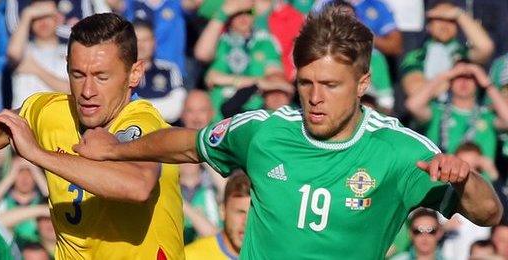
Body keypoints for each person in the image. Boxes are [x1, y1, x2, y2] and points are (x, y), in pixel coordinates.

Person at [70, 6, 502, 259]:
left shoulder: (399, 150)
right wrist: (113, 149)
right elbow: (186, 144)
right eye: (306, 83)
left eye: (330, 86)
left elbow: (489, 214)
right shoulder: (264, 131)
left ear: (363, 83)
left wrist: (465, 178)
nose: (315, 97)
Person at [0, 13, 183, 259]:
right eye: (77, 74)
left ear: (134, 74)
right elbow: (1, 127)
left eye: (102, 76)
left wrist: (40, 155)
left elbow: (137, 185)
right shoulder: (54, 110)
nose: (87, 91)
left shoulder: (143, 122)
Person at [405, 61, 508, 159]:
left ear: (478, 82)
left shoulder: (487, 116)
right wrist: (443, 76)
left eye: (470, 77)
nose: (464, 82)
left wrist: (487, 83)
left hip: (479, 177)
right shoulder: (437, 112)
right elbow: (413, 105)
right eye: (458, 77)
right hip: (440, 176)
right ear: (450, 82)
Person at [400, 0, 494, 96]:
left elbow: (485, 48)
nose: (445, 25)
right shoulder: (417, 55)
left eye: (451, 20)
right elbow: (416, 91)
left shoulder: (461, 52)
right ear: (428, 25)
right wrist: (453, 75)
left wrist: (459, 14)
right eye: (439, 19)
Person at [8, 0, 70, 108]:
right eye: (36, 17)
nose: (43, 22)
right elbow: (13, 53)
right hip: (23, 120)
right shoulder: (24, 50)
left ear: (59, 18)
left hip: (58, 118)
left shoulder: (69, 51)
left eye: (47, 16)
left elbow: (72, 90)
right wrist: (27, 14)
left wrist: (37, 70)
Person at [185, 171, 251, 260]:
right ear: (222, 211)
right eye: (240, 212)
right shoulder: (190, 256)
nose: (246, 221)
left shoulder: (272, 254)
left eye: (252, 214)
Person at [133, 21, 187, 123]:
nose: (140, 45)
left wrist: (139, 108)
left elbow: (176, 109)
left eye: (145, 40)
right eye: (136, 40)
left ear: (154, 42)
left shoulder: (169, 69)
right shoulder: (122, 72)